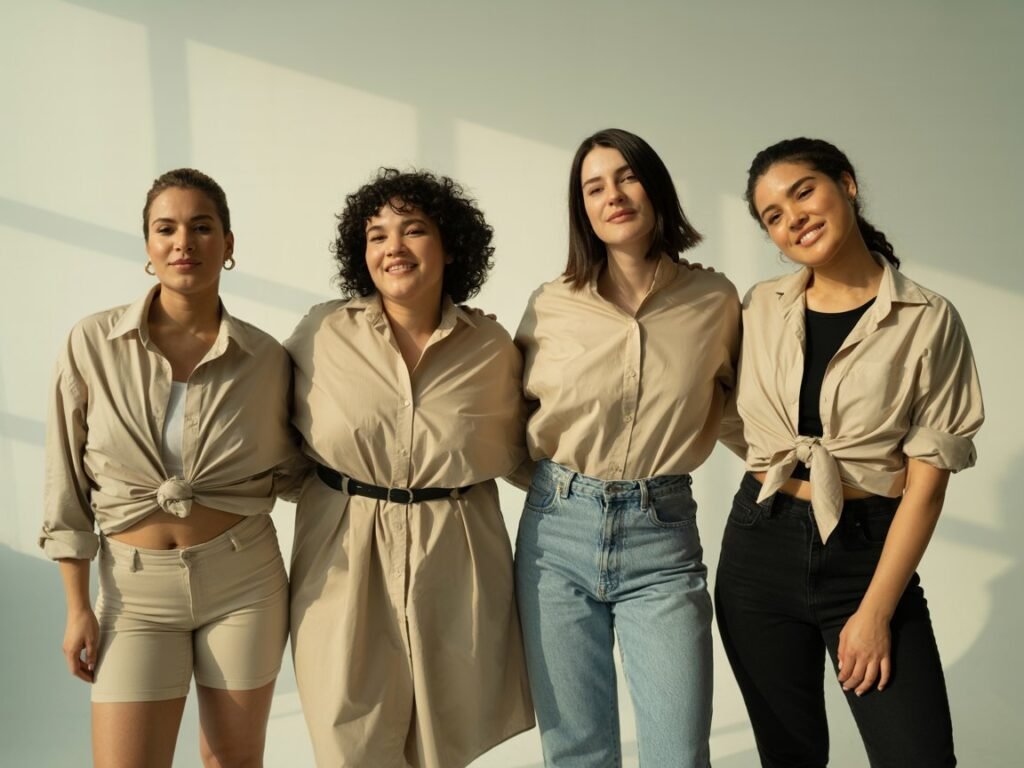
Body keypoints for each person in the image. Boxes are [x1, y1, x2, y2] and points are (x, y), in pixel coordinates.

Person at [715, 137, 984, 768]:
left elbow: (928, 484)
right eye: (773, 217)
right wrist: (768, 459)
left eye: (803, 192)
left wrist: (875, 611)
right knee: (790, 756)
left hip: (868, 553)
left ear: (847, 185)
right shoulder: (759, 307)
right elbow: (718, 403)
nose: (793, 219)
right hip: (758, 551)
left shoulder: (927, 318)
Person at [40, 168, 305, 767]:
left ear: (228, 245)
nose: (183, 242)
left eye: (202, 227)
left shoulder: (267, 357)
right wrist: (77, 606)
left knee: (234, 762)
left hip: (246, 583)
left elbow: (299, 468)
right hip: (132, 591)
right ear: (148, 248)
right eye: (167, 228)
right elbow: (66, 484)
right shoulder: (92, 343)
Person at [285, 168, 534, 768]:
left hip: (457, 554)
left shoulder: (493, 348)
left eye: (413, 230)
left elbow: (535, 452)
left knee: (443, 744)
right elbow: (270, 437)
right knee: (348, 742)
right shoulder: (321, 332)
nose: (392, 247)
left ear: (449, 245)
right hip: (342, 556)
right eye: (376, 235)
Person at [514, 128, 742, 767]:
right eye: (594, 186)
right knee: (577, 752)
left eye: (627, 177)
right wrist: (552, 488)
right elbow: (510, 417)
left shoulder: (714, 300)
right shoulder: (551, 304)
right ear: (581, 209)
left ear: (656, 188)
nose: (612, 195)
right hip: (554, 539)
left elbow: (740, 413)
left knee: (677, 753)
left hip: (662, 537)